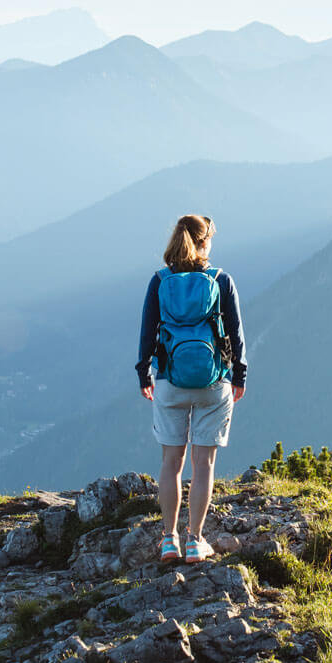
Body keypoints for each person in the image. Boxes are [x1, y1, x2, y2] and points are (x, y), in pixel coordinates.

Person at [137, 214, 246, 564]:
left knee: (171, 462)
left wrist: (144, 374)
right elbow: (236, 334)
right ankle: (196, 540)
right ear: (204, 243)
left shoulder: (159, 281)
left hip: (169, 379)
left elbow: (147, 333)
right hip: (212, 382)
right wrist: (239, 376)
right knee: (204, 465)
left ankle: (169, 540)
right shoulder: (221, 280)